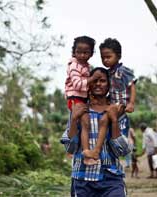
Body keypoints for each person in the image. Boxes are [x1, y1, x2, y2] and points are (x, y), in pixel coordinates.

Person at [61, 67, 131, 196]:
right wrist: (75, 118)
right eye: (94, 80)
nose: (98, 84)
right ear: (89, 84)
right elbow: (70, 148)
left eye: (103, 81)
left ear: (109, 85)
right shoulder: (79, 110)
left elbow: (122, 150)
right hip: (82, 178)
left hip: (111, 177)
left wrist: (114, 120)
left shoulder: (117, 111)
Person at [84, 38, 137, 162]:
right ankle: (104, 152)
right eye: (103, 57)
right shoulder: (108, 73)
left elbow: (132, 86)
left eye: (108, 57)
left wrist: (131, 103)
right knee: (107, 125)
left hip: (121, 105)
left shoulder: (123, 71)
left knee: (105, 120)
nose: (105, 60)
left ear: (118, 56)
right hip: (113, 103)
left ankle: (96, 151)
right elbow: (109, 91)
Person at [64, 36, 101, 165]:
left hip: (82, 98)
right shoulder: (74, 65)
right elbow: (78, 85)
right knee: (85, 123)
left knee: (85, 124)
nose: (82, 55)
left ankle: (83, 151)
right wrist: (92, 78)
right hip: (75, 98)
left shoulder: (86, 66)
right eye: (78, 51)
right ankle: (86, 154)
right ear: (74, 51)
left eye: (86, 52)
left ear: (91, 53)